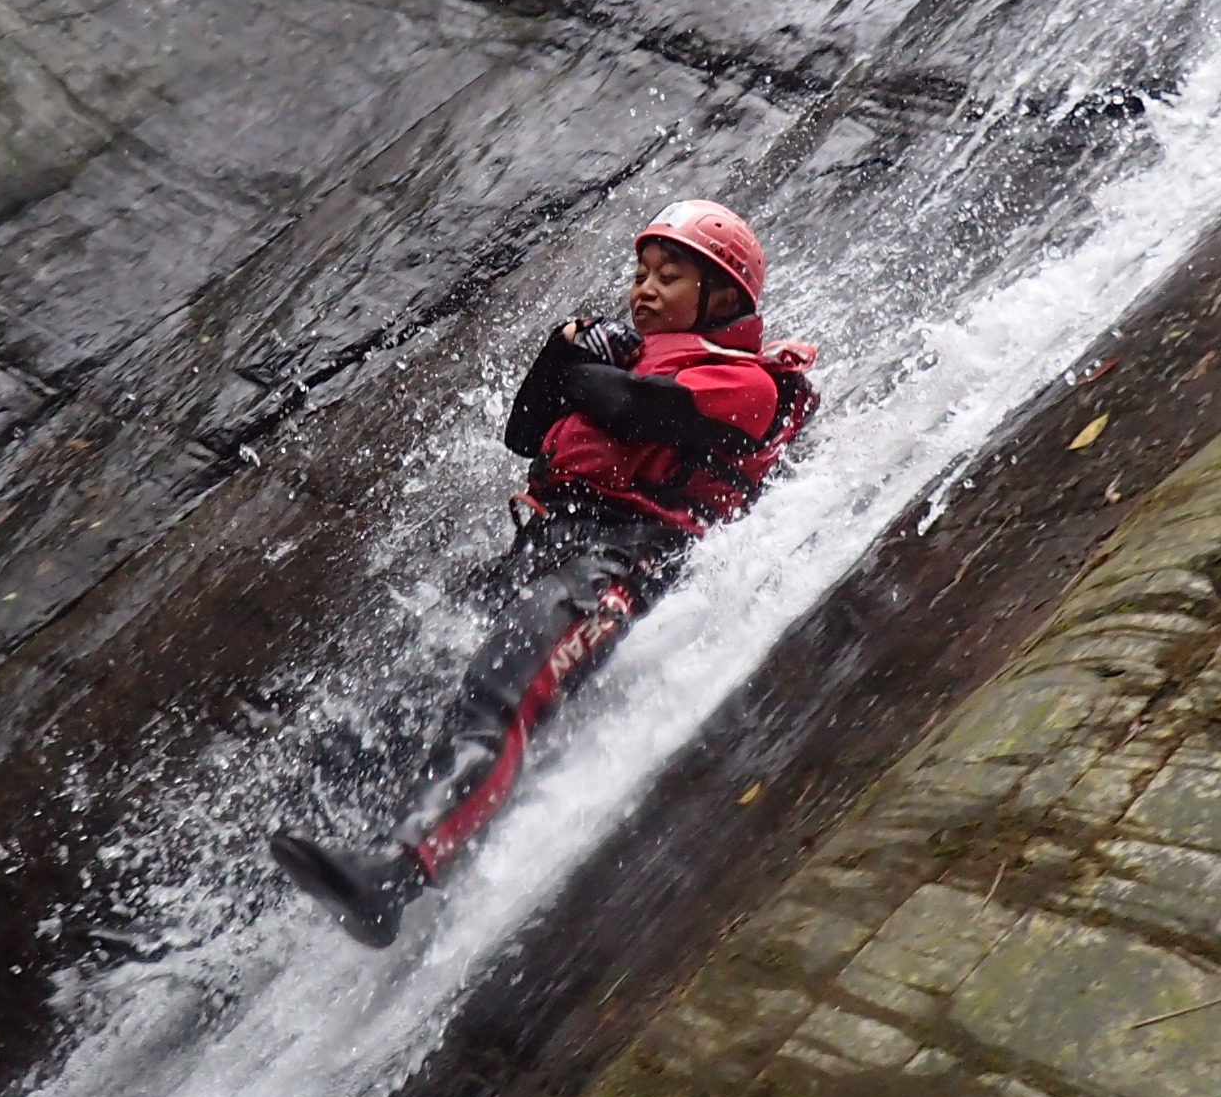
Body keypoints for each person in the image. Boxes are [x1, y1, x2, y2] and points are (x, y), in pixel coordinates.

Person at [269, 200, 817, 945]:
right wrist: (561, 348)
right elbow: (523, 429)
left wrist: (584, 356)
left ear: (720, 298)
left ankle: (396, 876)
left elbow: (620, 403)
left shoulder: (742, 384)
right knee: (389, 707)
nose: (643, 289)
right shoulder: (624, 350)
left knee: (497, 692)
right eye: (640, 273)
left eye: (669, 277)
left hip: (619, 563)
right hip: (541, 549)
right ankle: (324, 858)